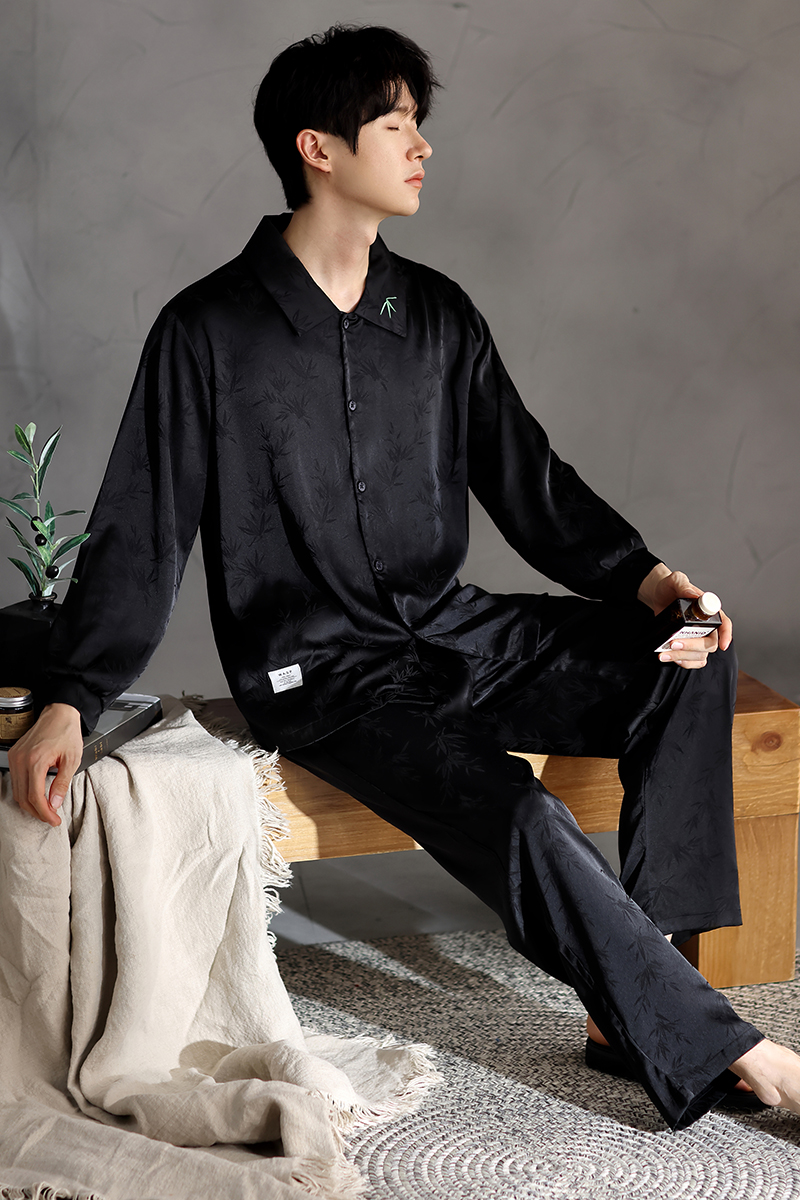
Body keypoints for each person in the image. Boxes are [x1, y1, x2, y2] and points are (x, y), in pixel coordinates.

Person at [8, 23, 800, 1128]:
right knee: (521, 817)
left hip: (454, 631)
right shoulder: (209, 331)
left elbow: (528, 480)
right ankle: (735, 1049)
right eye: (395, 124)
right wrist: (70, 696)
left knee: (684, 660)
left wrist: (651, 580)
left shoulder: (434, 315)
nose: (422, 146)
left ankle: (637, 1002)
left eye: (419, 123)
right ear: (319, 149)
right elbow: (141, 535)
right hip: (326, 676)